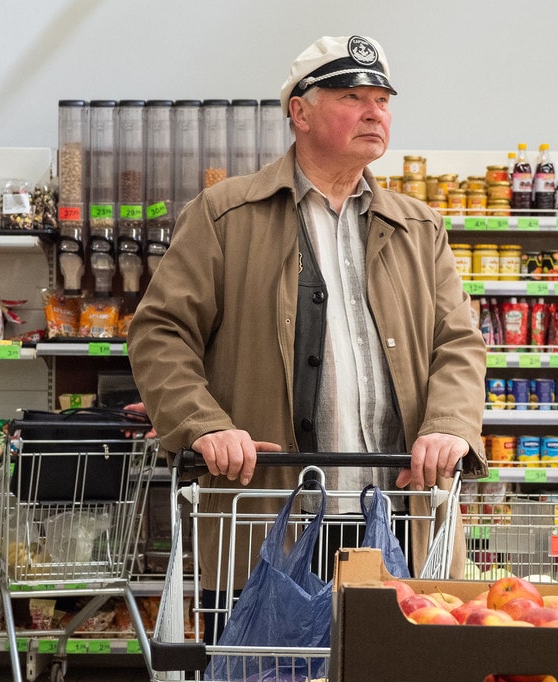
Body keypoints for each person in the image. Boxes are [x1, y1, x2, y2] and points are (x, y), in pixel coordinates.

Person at [126, 34, 488, 634]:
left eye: (383, 100)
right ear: (300, 110)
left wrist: (450, 426)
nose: (375, 113)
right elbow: (160, 332)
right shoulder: (225, 215)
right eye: (353, 96)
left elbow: (459, 343)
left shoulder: (419, 228)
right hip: (267, 518)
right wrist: (204, 423)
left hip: (399, 517)